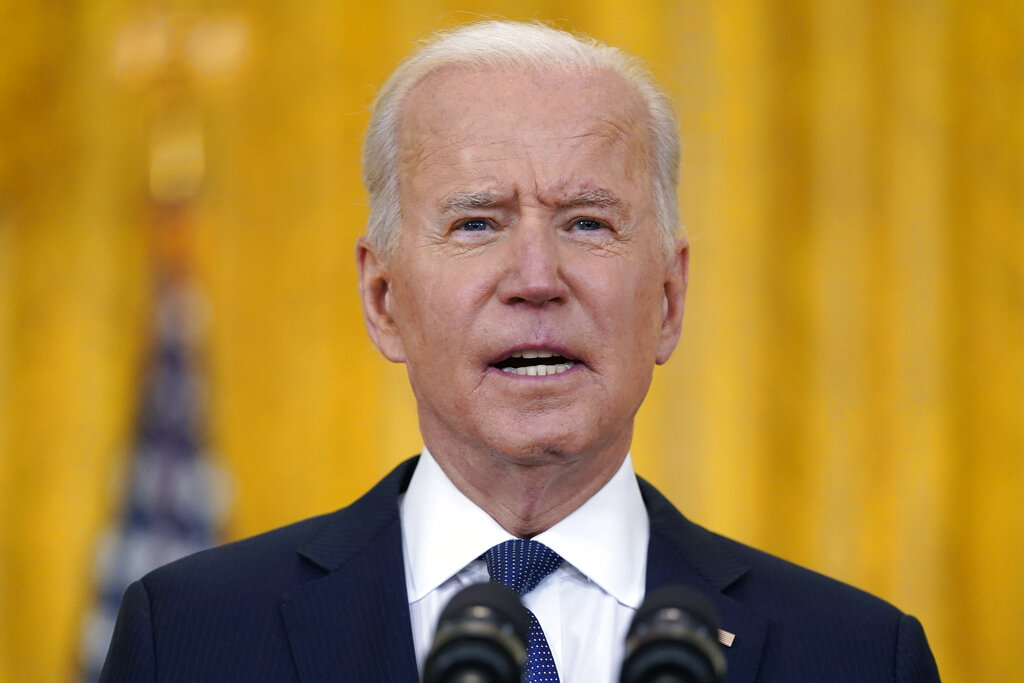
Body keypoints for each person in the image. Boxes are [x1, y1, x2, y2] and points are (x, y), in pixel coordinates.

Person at [100, 20, 941, 682]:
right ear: (383, 298)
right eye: (477, 223)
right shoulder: (192, 636)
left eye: (587, 222)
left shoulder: (856, 656)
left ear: (669, 299)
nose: (536, 278)